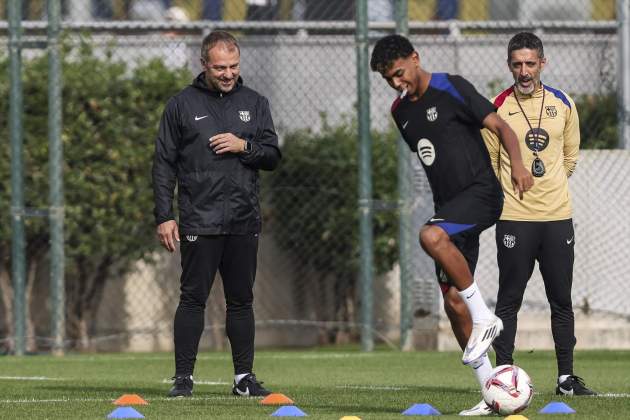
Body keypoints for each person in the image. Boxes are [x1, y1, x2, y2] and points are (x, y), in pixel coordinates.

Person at [370, 34, 534, 416]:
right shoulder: (400, 112)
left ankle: (485, 317)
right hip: (451, 210)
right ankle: (492, 394)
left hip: (482, 195)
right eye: (388, 79)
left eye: (399, 73)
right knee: (452, 302)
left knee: (430, 235)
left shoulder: (451, 86)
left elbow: (502, 128)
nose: (397, 83)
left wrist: (518, 165)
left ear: (415, 57)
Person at [152, 30, 281, 398]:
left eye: (233, 66)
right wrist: (165, 215)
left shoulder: (255, 103)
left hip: (243, 219)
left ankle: (244, 379)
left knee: (242, 300)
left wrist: (245, 146)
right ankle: (183, 380)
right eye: (220, 67)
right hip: (199, 219)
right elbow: (163, 164)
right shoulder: (181, 105)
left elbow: (272, 156)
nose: (227, 73)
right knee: (192, 298)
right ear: (204, 64)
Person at [482, 31, 596, 402]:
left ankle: (566, 377)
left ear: (543, 63)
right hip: (514, 218)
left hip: (557, 218)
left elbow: (569, 157)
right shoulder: (498, 106)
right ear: (509, 65)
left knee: (561, 299)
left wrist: (549, 189)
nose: (524, 71)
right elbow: (490, 161)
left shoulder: (563, 103)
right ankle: (502, 374)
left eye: (531, 63)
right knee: (508, 300)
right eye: (517, 64)